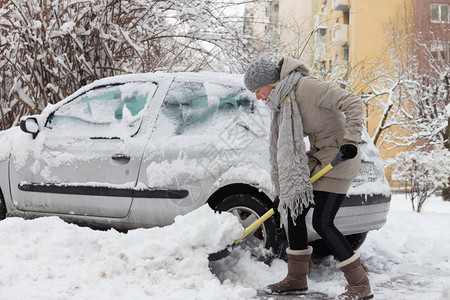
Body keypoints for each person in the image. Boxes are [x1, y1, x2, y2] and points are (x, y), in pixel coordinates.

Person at [244, 56, 373, 300]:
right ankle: (296, 279)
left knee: (323, 222)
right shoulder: (284, 102)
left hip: (340, 158)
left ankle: (360, 284)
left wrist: (351, 140)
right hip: (319, 160)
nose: (258, 97)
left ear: (269, 83)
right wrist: (284, 193)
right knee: (293, 210)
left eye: (257, 91)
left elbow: (353, 103)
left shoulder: (308, 88)